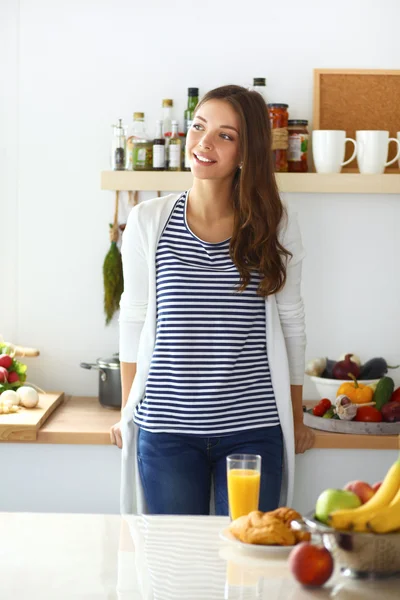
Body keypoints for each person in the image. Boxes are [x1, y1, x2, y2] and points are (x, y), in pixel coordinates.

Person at [110, 84, 314, 516]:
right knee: (176, 571)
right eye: (199, 127)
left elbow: (292, 323)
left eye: (225, 134)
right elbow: (134, 318)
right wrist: (128, 412)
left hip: (253, 430)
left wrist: (295, 419)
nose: (204, 142)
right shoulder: (149, 222)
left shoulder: (274, 226)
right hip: (165, 429)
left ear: (247, 152)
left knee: (246, 568)